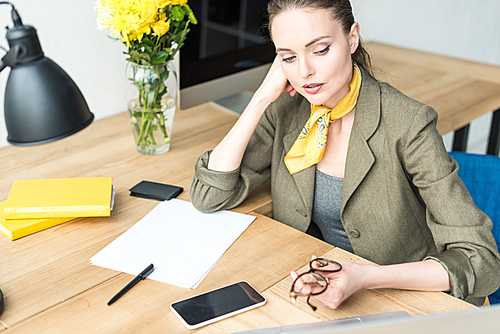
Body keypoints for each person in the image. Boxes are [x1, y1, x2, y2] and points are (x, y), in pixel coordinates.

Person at [190, 0, 500, 308]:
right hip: (320, 292)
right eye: (288, 56)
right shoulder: (285, 110)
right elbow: (209, 195)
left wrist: (365, 276)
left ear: (352, 38)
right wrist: (260, 98)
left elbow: (481, 261)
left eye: (320, 50)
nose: (305, 71)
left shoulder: (407, 123)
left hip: (407, 299)